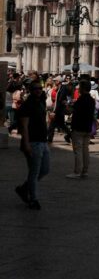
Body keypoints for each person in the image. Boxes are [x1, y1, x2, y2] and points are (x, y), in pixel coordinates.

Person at [15, 80, 50, 210]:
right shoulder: (27, 105)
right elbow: (24, 126)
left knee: (45, 169)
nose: (38, 90)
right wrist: (26, 143)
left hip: (43, 141)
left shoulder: (40, 102)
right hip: (33, 142)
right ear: (30, 90)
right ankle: (33, 199)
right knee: (34, 172)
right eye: (35, 89)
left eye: (40, 88)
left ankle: (24, 188)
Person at [66, 77, 96, 179]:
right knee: (85, 150)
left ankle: (77, 171)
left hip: (78, 127)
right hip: (87, 127)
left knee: (78, 150)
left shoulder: (80, 100)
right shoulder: (92, 100)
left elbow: (73, 111)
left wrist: (67, 106)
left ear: (82, 88)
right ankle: (85, 171)